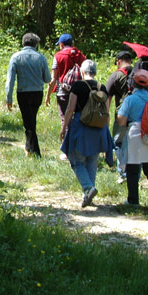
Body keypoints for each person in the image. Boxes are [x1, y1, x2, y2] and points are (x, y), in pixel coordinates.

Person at [59, 60, 115, 207]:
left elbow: (70, 109)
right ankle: (88, 195)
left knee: (76, 161)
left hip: (81, 127)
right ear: (95, 72)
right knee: (92, 161)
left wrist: (64, 127)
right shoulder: (102, 87)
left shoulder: (78, 86)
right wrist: (106, 131)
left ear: (82, 73)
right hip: (99, 128)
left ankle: (88, 188)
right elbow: (107, 112)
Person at [116, 69, 148, 205]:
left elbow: (121, 120)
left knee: (132, 169)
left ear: (133, 83)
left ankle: (133, 200)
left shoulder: (130, 99)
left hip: (135, 135)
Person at [5, 33, 51, 157]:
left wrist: (8, 98)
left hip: (23, 93)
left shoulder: (16, 57)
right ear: (36, 44)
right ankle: (28, 148)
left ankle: (35, 152)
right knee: (31, 121)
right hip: (37, 93)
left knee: (29, 123)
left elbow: (10, 80)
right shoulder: (41, 58)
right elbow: (47, 79)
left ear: (23, 43)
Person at [106, 50, 135, 182]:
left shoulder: (115, 76)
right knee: (135, 143)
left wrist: (106, 119)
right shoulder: (138, 73)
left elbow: (107, 99)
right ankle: (135, 173)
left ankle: (123, 173)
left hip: (122, 114)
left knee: (118, 142)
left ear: (118, 61)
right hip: (138, 113)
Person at [45, 34, 86, 125]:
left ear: (62, 45)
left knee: (65, 119)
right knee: (79, 118)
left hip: (63, 91)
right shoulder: (81, 56)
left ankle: (66, 138)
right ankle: (76, 138)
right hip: (79, 92)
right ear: (72, 44)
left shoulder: (58, 56)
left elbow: (53, 78)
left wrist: (47, 95)